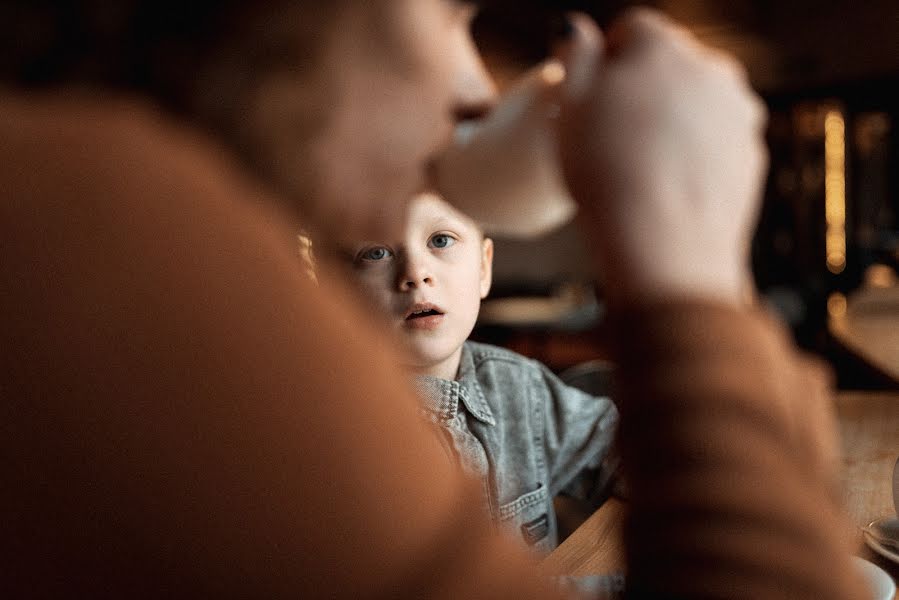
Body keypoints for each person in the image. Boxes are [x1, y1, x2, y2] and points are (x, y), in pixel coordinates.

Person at [0, 2, 867, 599]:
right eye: (449, 16)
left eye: (443, 244)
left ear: (484, 265)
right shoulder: (94, 227)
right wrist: (684, 258)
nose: (475, 92)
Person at [342, 192, 619, 553]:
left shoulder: (521, 387)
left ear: (484, 269)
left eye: (440, 240)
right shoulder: (341, 430)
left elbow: (625, 446)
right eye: (375, 252)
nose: (415, 273)